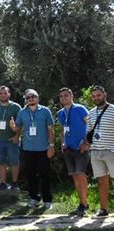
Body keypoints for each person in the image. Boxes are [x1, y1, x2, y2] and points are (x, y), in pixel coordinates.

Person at [10, 89, 54, 209]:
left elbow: (51, 129)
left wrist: (52, 146)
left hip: (43, 148)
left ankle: (47, 200)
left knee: (44, 175)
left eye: (33, 96)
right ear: (26, 100)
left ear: (37, 98)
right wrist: (12, 126)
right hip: (28, 148)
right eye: (28, 97)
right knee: (31, 175)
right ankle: (34, 198)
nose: (31, 99)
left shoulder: (45, 111)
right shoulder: (22, 112)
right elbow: (17, 128)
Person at [56, 87, 89, 216]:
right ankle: (82, 203)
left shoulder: (80, 109)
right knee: (75, 176)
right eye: (61, 96)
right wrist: (62, 143)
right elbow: (63, 128)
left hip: (81, 147)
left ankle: (84, 205)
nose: (63, 98)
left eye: (66, 95)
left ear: (72, 96)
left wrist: (86, 143)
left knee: (80, 175)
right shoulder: (61, 113)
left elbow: (90, 125)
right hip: (68, 149)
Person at [83, 85, 114, 217]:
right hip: (95, 151)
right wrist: (87, 145)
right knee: (101, 181)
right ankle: (104, 209)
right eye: (94, 96)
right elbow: (88, 132)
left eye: (98, 95)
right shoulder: (90, 112)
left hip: (111, 150)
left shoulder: (113, 110)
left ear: (104, 94)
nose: (96, 98)